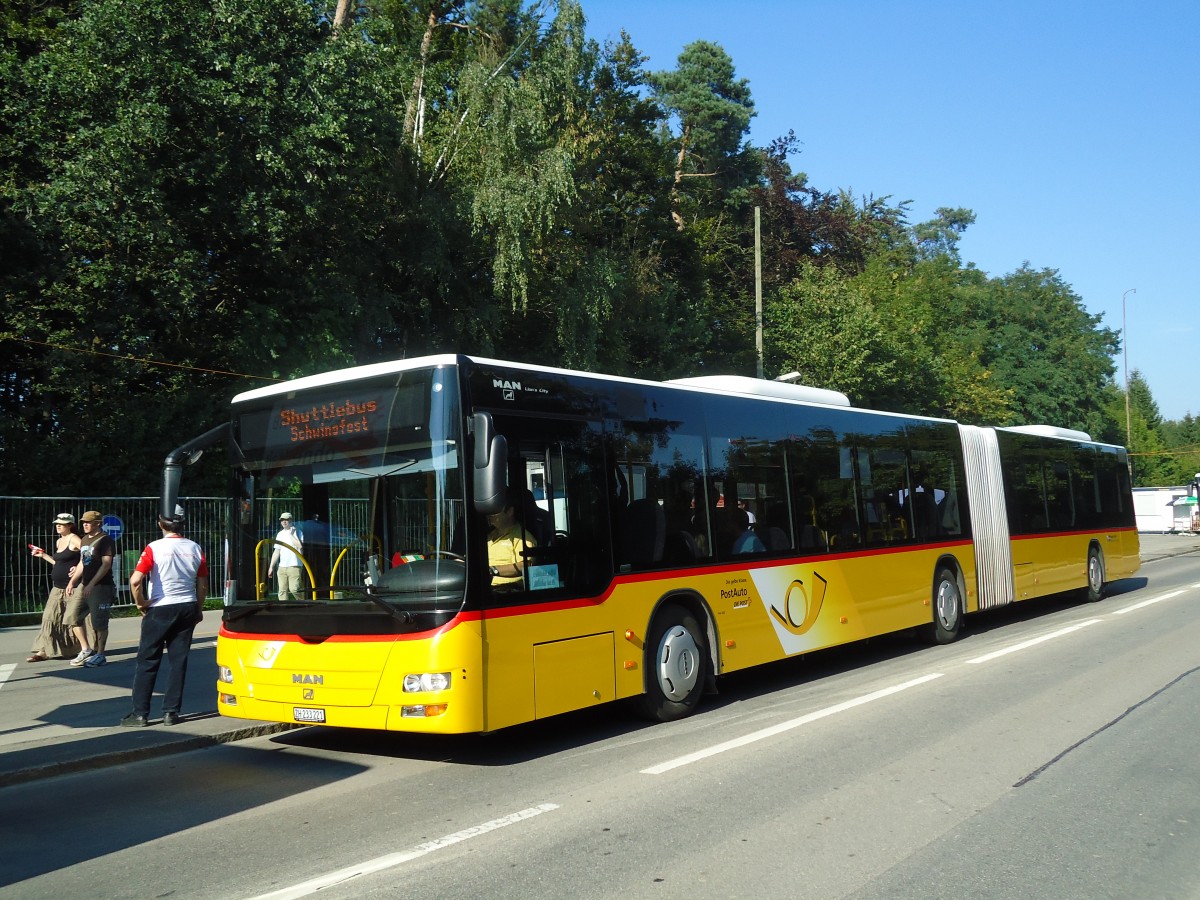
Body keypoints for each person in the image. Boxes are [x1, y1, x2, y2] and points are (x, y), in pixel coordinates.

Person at [122, 506, 207, 727]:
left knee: (148, 660)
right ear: (182, 524)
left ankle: (140, 714)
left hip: (161, 606)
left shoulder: (154, 548)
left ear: (161, 524)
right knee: (178, 661)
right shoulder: (195, 547)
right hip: (187, 605)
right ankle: (171, 712)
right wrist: (198, 608)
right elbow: (202, 583)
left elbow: (135, 581)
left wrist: (141, 603)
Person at [26, 513, 83, 663]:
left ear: (70, 525)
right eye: (57, 523)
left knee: (71, 619)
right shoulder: (59, 541)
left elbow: (90, 554)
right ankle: (43, 650)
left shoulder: (74, 539)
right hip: (58, 587)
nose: (58, 525)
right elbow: (58, 564)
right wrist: (43, 555)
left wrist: (78, 567)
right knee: (50, 617)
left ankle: (80, 650)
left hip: (73, 586)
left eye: (62, 524)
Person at [65, 510, 116, 667]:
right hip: (84, 585)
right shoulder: (85, 539)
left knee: (98, 622)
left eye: (88, 522)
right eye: (83, 522)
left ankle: (100, 654)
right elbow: (82, 561)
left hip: (101, 586)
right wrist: (72, 581)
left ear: (98, 523)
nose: (85, 524)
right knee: (73, 616)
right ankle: (86, 650)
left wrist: (92, 583)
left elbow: (106, 564)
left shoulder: (105, 540)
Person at [487, 488, 536, 591]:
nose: (490, 514)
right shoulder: (490, 536)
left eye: (495, 510)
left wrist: (493, 570)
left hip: (508, 591)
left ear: (510, 511)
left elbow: (526, 565)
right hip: (486, 588)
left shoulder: (522, 537)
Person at [267, 511, 304, 601]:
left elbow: (300, 546)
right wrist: (271, 567)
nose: (284, 521)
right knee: (282, 591)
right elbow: (277, 551)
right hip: (282, 566)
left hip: (294, 565)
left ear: (291, 520)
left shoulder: (298, 532)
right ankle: (283, 608)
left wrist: (291, 534)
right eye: (282, 520)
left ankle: (302, 603)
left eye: (286, 520)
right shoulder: (280, 534)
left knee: (294, 589)